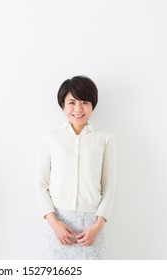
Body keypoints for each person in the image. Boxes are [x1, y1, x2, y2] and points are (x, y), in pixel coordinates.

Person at [36, 75, 116, 259]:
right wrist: (54, 223)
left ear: (92, 105)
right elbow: (41, 184)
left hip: (92, 227)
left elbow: (109, 186)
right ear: (63, 105)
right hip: (57, 224)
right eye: (72, 102)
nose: (78, 109)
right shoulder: (50, 137)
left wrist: (98, 226)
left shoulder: (105, 139)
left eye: (85, 102)